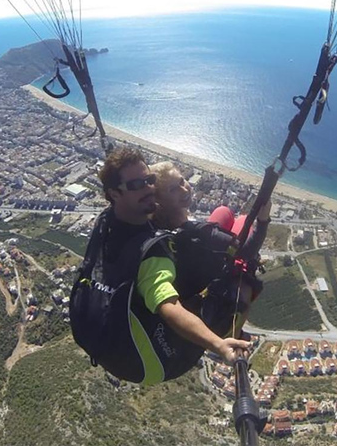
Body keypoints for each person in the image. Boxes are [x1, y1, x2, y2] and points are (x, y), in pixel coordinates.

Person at [69, 147, 250, 386]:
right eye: (136, 185)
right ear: (114, 193)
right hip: (151, 362)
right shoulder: (151, 250)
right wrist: (218, 345)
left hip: (108, 344)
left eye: (149, 180)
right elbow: (167, 305)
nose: (147, 189)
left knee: (222, 220)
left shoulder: (106, 220)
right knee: (246, 275)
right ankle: (231, 329)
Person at [149, 161, 271, 333]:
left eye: (181, 181)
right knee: (243, 221)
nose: (184, 189)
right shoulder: (202, 234)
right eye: (173, 189)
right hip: (210, 292)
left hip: (188, 275)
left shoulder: (156, 224)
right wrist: (263, 220)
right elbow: (247, 251)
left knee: (223, 212)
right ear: (160, 200)